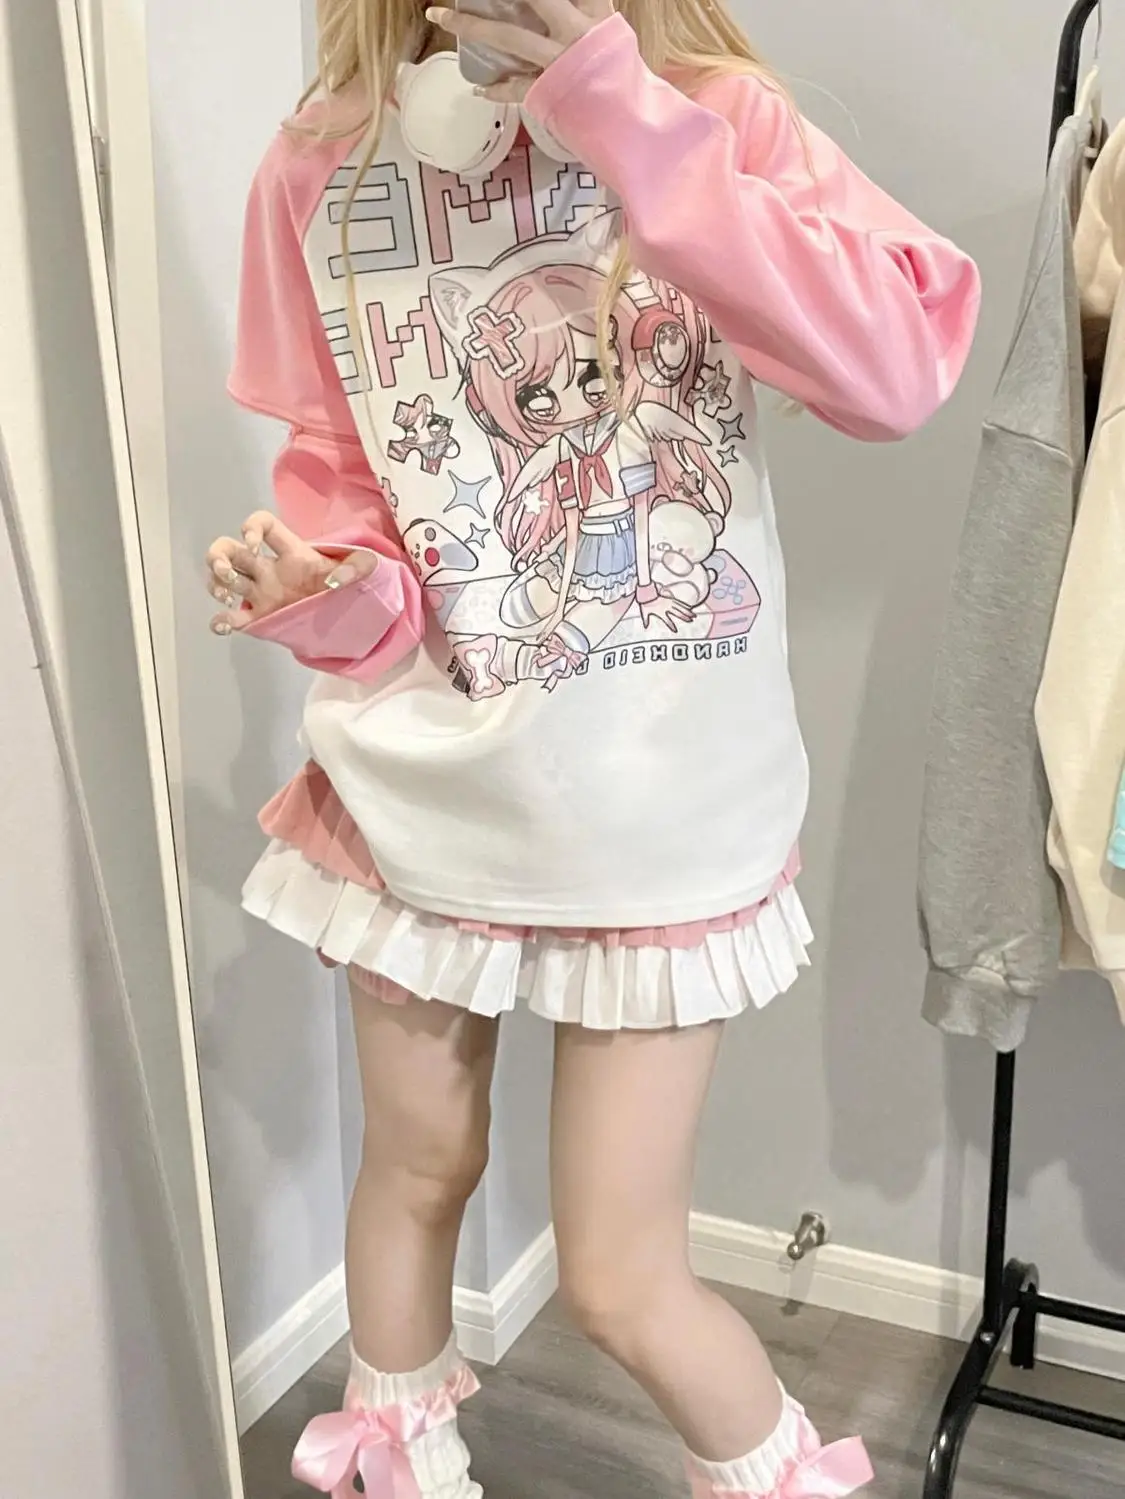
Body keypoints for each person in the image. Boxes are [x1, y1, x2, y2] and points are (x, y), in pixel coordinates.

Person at [207, 2, 980, 1495]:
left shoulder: (711, 119)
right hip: (417, 797)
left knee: (623, 1277)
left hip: (657, 814)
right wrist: (325, 593)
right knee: (417, 1170)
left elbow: (896, 370)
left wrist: (616, 106)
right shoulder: (323, 164)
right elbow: (357, 497)